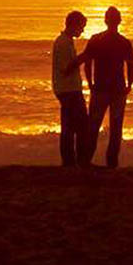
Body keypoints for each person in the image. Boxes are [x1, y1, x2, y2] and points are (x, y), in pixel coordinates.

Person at [83, 6, 133, 168]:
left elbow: (87, 63)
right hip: (117, 90)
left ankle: (86, 160)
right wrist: (129, 85)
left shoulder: (96, 39)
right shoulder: (124, 42)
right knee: (116, 128)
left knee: (93, 126)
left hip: (100, 89)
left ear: (105, 20)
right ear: (119, 21)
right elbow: (131, 68)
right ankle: (111, 162)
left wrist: (90, 83)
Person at [51, 10, 89, 167]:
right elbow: (66, 69)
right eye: (81, 27)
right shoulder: (64, 43)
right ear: (74, 25)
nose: (82, 30)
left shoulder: (65, 41)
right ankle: (78, 161)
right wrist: (84, 57)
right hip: (69, 90)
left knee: (69, 126)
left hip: (66, 89)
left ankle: (69, 161)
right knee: (80, 125)